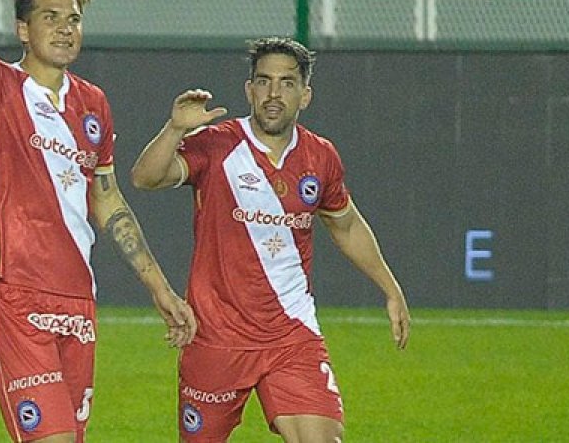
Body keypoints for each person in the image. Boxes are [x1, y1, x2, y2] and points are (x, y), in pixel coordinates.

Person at [0, 0, 196, 442]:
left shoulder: (92, 104)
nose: (64, 28)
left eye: (74, 18)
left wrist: (160, 289)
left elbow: (108, 202)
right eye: (50, 17)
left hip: (78, 300)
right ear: (22, 29)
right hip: (15, 295)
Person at [131, 37, 411, 442]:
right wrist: (175, 128)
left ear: (305, 95)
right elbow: (145, 177)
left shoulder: (321, 157)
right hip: (216, 336)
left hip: (291, 334)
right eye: (263, 82)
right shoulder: (218, 144)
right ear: (249, 90)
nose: (274, 94)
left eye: (287, 83)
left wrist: (391, 289)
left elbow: (346, 224)